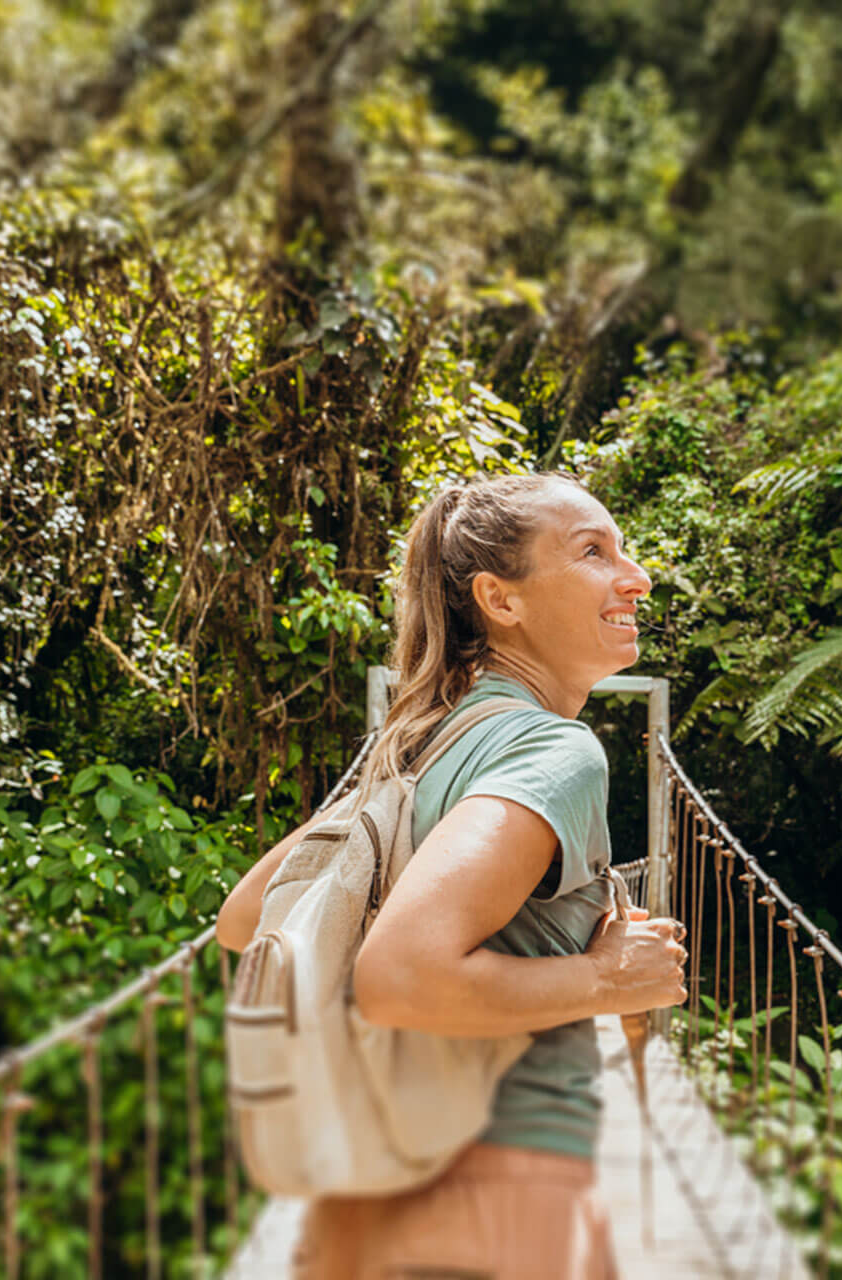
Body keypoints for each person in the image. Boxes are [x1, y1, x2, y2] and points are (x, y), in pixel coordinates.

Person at [218, 472, 688, 1280]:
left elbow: (241, 919)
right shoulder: (556, 750)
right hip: (500, 1190)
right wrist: (606, 980)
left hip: (365, 1194)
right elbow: (401, 978)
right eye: (593, 552)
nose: (635, 575)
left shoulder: (416, 744)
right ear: (501, 602)